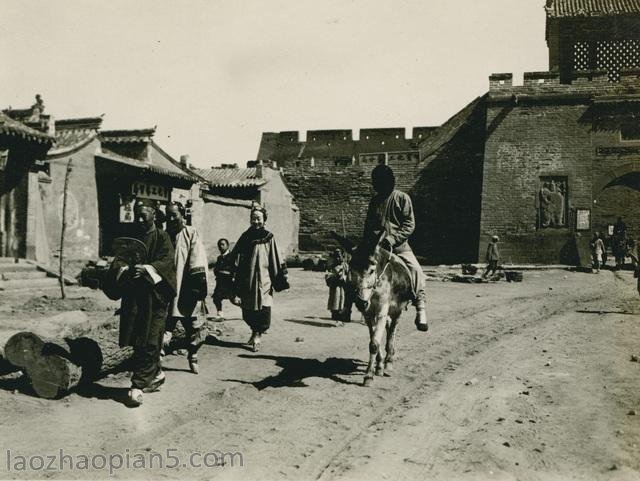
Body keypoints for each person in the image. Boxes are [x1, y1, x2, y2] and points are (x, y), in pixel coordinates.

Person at [103, 201, 176, 407]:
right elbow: (119, 260)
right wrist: (123, 269)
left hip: (156, 297)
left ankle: (137, 386)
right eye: (137, 215)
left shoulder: (162, 237)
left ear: (154, 214)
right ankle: (157, 373)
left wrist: (148, 269)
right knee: (137, 339)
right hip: (134, 297)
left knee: (152, 340)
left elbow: (167, 261)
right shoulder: (132, 237)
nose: (140, 219)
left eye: (144, 215)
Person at [362, 164, 428, 331]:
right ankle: (349, 306)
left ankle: (420, 308)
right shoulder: (374, 201)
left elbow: (409, 224)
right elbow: (368, 225)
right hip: (377, 248)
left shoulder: (402, 198)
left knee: (416, 271)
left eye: (381, 182)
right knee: (359, 270)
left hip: (399, 247)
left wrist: (392, 239)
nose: (378, 186)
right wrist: (367, 243)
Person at [230, 204, 289, 352]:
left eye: (259, 219)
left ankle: (257, 335)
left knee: (263, 307)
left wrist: (279, 278)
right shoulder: (245, 237)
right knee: (248, 309)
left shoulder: (269, 237)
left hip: (264, 279)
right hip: (247, 280)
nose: (256, 222)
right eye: (253, 218)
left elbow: (275, 258)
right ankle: (254, 330)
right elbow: (235, 256)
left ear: (264, 220)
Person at [163, 202, 209, 374]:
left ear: (182, 214)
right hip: (168, 286)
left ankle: (193, 354)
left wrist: (196, 286)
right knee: (165, 323)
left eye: (175, 214)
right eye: (168, 215)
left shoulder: (190, 233)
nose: (171, 218)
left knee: (193, 325)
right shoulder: (165, 235)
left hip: (186, 286)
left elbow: (197, 259)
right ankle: (157, 361)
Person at [212, 238, 235, 319]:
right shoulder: (219, 258)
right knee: (216, 298)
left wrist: (226, 273)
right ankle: (220, 314)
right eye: (219, 245)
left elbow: (234, 269)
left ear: (227, 246)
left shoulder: (232, 256)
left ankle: (246, 311)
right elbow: (216, 270)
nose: (221, 246)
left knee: (234, 300)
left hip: (229, 282)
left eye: (223, 244)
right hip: (220, 282)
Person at [325, 249, 348, 323]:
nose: (339, 258)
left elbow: (348, 274)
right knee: (335, 300)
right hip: (335, 286)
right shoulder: (331, 266)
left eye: (340, 256)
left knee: (342, 300)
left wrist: (344, 278)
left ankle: (341, 316)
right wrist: (334, 277)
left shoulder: (345, 265)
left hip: (343, 286)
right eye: (337, 257)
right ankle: (335, 315)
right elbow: (328, 275)